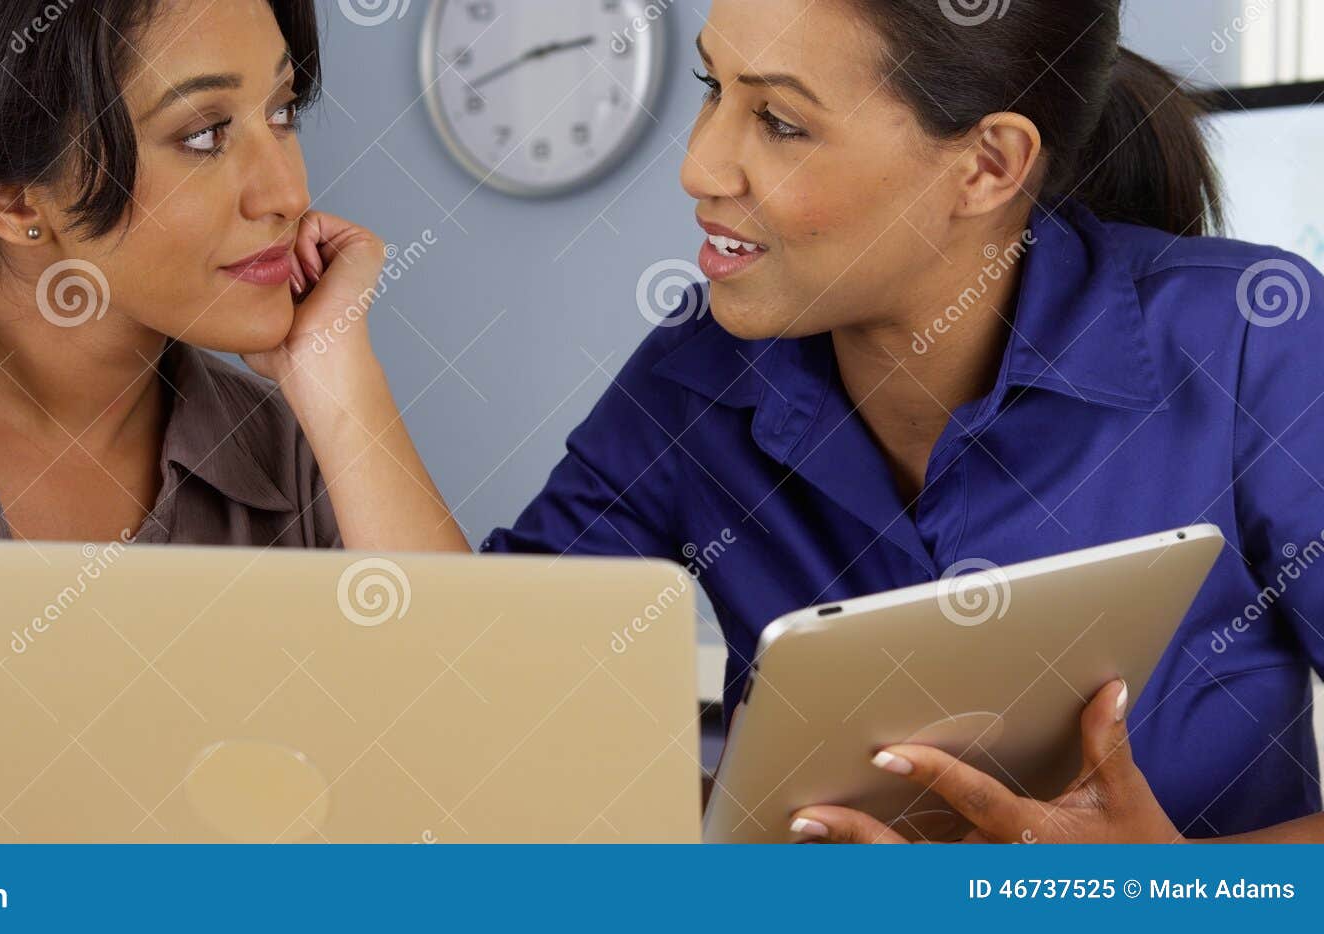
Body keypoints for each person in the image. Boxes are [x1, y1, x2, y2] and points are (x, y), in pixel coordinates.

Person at [482, 0, 1324, 842]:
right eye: (713, 87)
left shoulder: (1253, 342)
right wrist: (345, 376)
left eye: (779, 120)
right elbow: (480, 674)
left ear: (989, 165)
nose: (699, 169)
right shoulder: (692, 374)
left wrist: (1170, 893)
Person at [0, 0, 466, 844]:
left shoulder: (276, 452)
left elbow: (476, 799)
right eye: (203, 135)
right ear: (12, 198)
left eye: (282, 112)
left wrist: (343, 389)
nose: (287, 192)